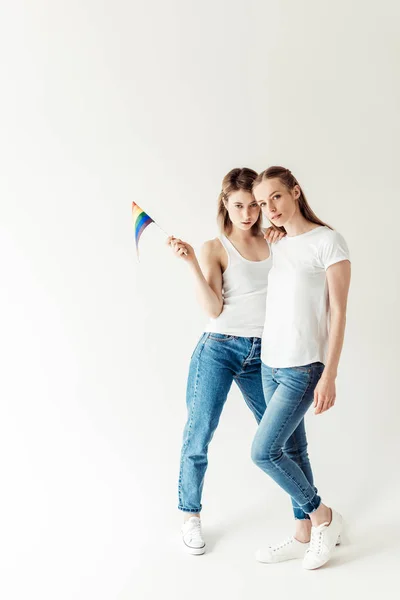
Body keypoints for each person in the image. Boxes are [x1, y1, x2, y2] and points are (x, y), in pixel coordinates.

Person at [167, 167, 283, 555]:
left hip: (265, 352)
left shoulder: (275, 240)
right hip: (219, 348)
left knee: (280, 435)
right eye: (239, 206)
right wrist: (191, 265)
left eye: (254, 205)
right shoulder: (214, 248)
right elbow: (215, 309)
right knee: (199, 432)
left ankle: (312, 514)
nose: (248, 213)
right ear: (225, 204)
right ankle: (190, 517)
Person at [251, 166, 351, 570]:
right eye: (261, 202)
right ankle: (304, 532)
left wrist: (330, 373)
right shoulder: (277, 243)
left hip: (303, 366)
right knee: (292, 449)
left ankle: (324, 516)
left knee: (263, 451)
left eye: (275, 196)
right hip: (269, 363)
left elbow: (339, 313)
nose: (268, 208)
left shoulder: (328, 242)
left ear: (295, 192)